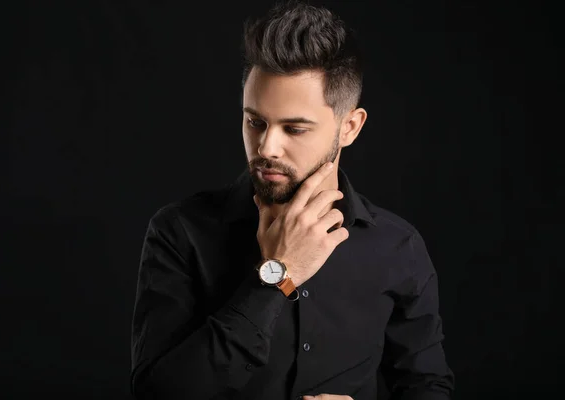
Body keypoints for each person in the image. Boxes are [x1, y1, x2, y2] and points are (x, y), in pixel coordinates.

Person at [130, 1, 454, 399]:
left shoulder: (397, 246)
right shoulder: (181, 232)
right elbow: (156, 394)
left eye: (295, 129)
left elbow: (428, 387)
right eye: (255, 122)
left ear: (349, 127)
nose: (267, 147)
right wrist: (277, 274)